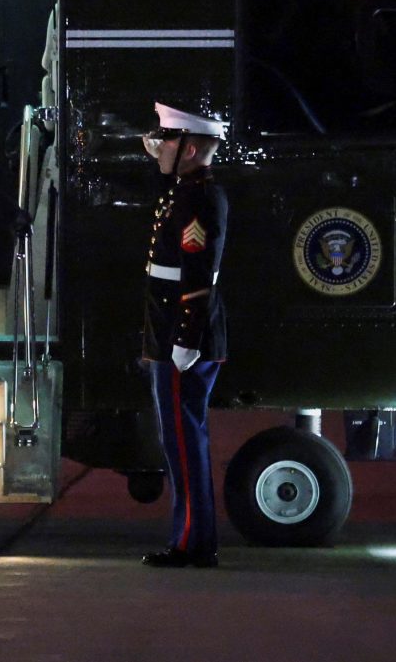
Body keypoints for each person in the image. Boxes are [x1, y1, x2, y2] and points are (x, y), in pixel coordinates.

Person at [139, 102, 229, 568]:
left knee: (183, 443)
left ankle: (192, 542)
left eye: (167, 140)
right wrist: (158, 156)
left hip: (181, 335)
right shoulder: (186, 190)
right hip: (170, 331)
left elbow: (198, 277)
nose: (159, 146)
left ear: (189, 149)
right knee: (181, 442)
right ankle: (191, 537)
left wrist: (185, 340)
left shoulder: (199, 199)